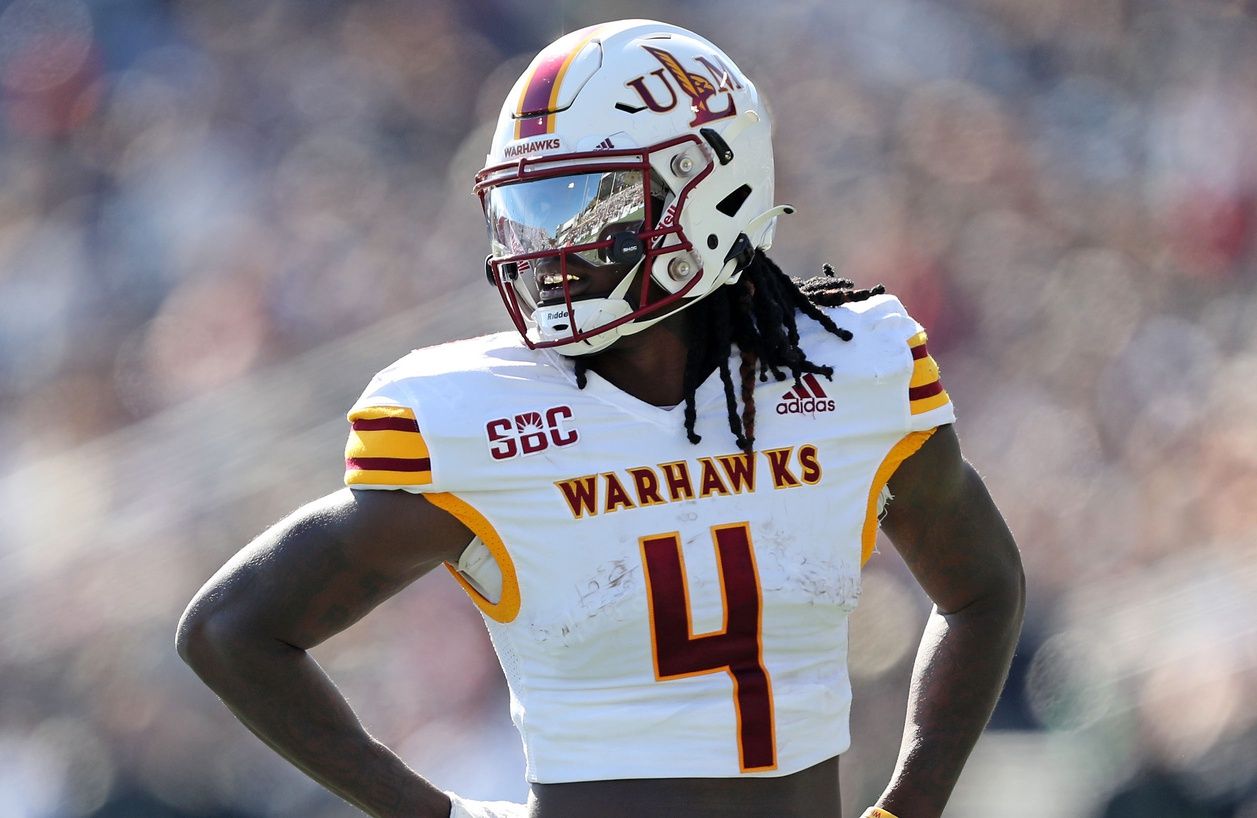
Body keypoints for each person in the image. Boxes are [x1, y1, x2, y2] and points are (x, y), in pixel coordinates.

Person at [176, 19, 1024, 818]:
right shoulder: (479, 421)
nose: (550, 247)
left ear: (710, 187)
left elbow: (983, 590)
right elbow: (228, 631)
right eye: (534, 209)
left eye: (590, 202)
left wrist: (908, 804)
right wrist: (434, 813)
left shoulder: (844, 370)